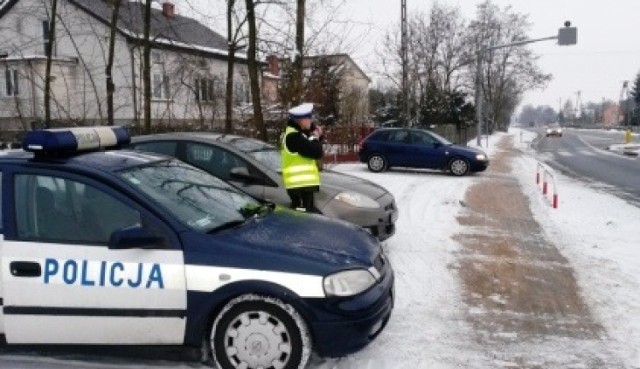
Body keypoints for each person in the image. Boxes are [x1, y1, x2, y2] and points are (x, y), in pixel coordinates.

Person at [281, 103, 324, 212]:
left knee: (308, 219)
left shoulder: (299, 134)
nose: (311, 121)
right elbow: (317, 151)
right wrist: (315, 136)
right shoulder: (293, 137)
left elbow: (311, 143)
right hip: (298, 187)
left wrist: (315, 133)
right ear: (300, 121)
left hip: (304, 187)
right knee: (301, 220)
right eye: (308, 118)